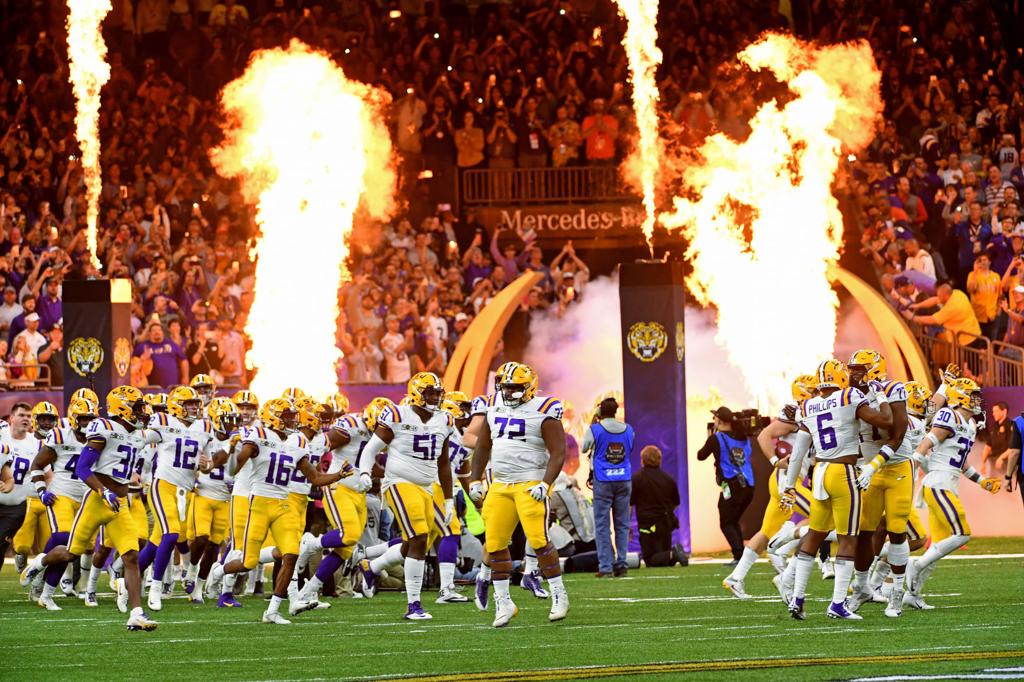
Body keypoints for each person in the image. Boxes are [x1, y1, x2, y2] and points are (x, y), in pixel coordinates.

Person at [20, 386, 158, 631]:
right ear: (122, 408)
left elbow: (161, 432)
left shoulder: (138, 434)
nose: (141, 412)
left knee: (131, 555)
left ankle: (136, 613)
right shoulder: (103, 428)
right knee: (72, 552)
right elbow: (83, 468)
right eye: (136, 407)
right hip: (96, 500)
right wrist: (102, 491)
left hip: (120, 503)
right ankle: (40, 563)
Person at [210, 398, 348, 624]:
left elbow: (313, 477)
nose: (292, 420)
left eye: (292, 416)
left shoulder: (297, 441)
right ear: (273, 417)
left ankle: (272, 611)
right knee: (248, 562)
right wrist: (231, 454)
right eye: (286, 416)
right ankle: (219, 571)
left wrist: (339, 475)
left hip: (283, 504)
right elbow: (236, 467)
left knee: (290, 554)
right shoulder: (258, 436)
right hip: (260, 503)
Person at [780, 359, 894, 621]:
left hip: (818, 472)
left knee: (814, 536)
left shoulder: (806, 406)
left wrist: (789, 486)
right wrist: (879, 393)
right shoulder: (850, 395)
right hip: (843, 472)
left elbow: (798, 453)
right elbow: (886, 421)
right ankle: (838, 603)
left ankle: (797, 600)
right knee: (848, 539)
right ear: (840, 378)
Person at [469, 363, 570, 627]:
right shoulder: (493, 406)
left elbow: (558, 452)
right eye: (507, 387)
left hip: (530, 483)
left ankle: (559, 595)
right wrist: (475, 479)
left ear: (529, 387)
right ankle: (504, 602)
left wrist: (546, 484)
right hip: (500, 485)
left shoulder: (545, 409)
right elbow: (482, 446)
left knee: (539, 540)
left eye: (516, 388)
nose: (510, 392)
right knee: (494, 543)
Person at [355, 373, 454, 621]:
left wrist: (450, 498)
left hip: (427, 486)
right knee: (419, 535)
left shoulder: (445, 419)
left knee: (417, 541)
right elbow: (371, 449)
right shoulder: (398, 414)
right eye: (429, 393)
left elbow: (443, 464)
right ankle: (414, 605)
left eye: (436, 393)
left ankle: (371, 567)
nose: (434, 397)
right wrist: (366, 472)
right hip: (399, 482)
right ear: (415, 393)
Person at [907, 379, 1001, 605]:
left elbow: (962, 463)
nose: (977, 399)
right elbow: (927, 443)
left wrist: (982, 482)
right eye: (972, 395)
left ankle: (912, 594)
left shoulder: (968, 426)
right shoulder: (949, 415)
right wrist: (911, 469)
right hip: (937, 483)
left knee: (938, 545)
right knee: (962, 532)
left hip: (948, 484)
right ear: (959, 396)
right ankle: (915, 565)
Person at [723, 375, 816, 599]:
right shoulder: (796, 413)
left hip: (786, 480)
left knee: (765, 531)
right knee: (822, 516)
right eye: (813, 391)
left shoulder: (812, 413)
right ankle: (781, 544)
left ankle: (735, 578)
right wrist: (775, 460)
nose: (817, 395)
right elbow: (766, 434)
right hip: (787, 481)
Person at [581, 396, 635, 578]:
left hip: (603, 480)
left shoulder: (595, 429)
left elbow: (584, 448)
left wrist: (592, 421)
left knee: (603, 525)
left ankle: (605, 566)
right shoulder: (628, 429)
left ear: (600, 412)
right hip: (624, 478)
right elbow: (631, 448)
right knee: (622, 524)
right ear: (616, 411)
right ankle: (622, 563)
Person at [697, 407, 755, 565]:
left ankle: (739, 556)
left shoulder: (716, 438)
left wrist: (711, 436)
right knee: (733, 520)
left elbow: (700, 456)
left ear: (719, 421)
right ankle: (741, 556)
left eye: (715, 417)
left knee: (726, 522)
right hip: (749, 486)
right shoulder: (743, 438)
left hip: (732, 485)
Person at [630, 445, 685, 568]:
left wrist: (627, 525)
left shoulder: (636, 479)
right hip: (666, 524)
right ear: (660, 460)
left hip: (647, 524)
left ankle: (674, 554)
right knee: (662, 557)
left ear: (642, 460)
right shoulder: (669, 479)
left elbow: (630, 504)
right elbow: (676, 503)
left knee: (650, 559)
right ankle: (672, 554)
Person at [983, 402, 1012, 477]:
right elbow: (988, 446)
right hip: (994, 462)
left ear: (1004, 411)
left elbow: (1013, 447)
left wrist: (1001, 458)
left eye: (996, 411)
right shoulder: (994, 427)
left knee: (1005, 485)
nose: (993, 414)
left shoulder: (1011, 426)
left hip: (1007, 463)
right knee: (993, 485)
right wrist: (983, 463)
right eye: (993, 412)